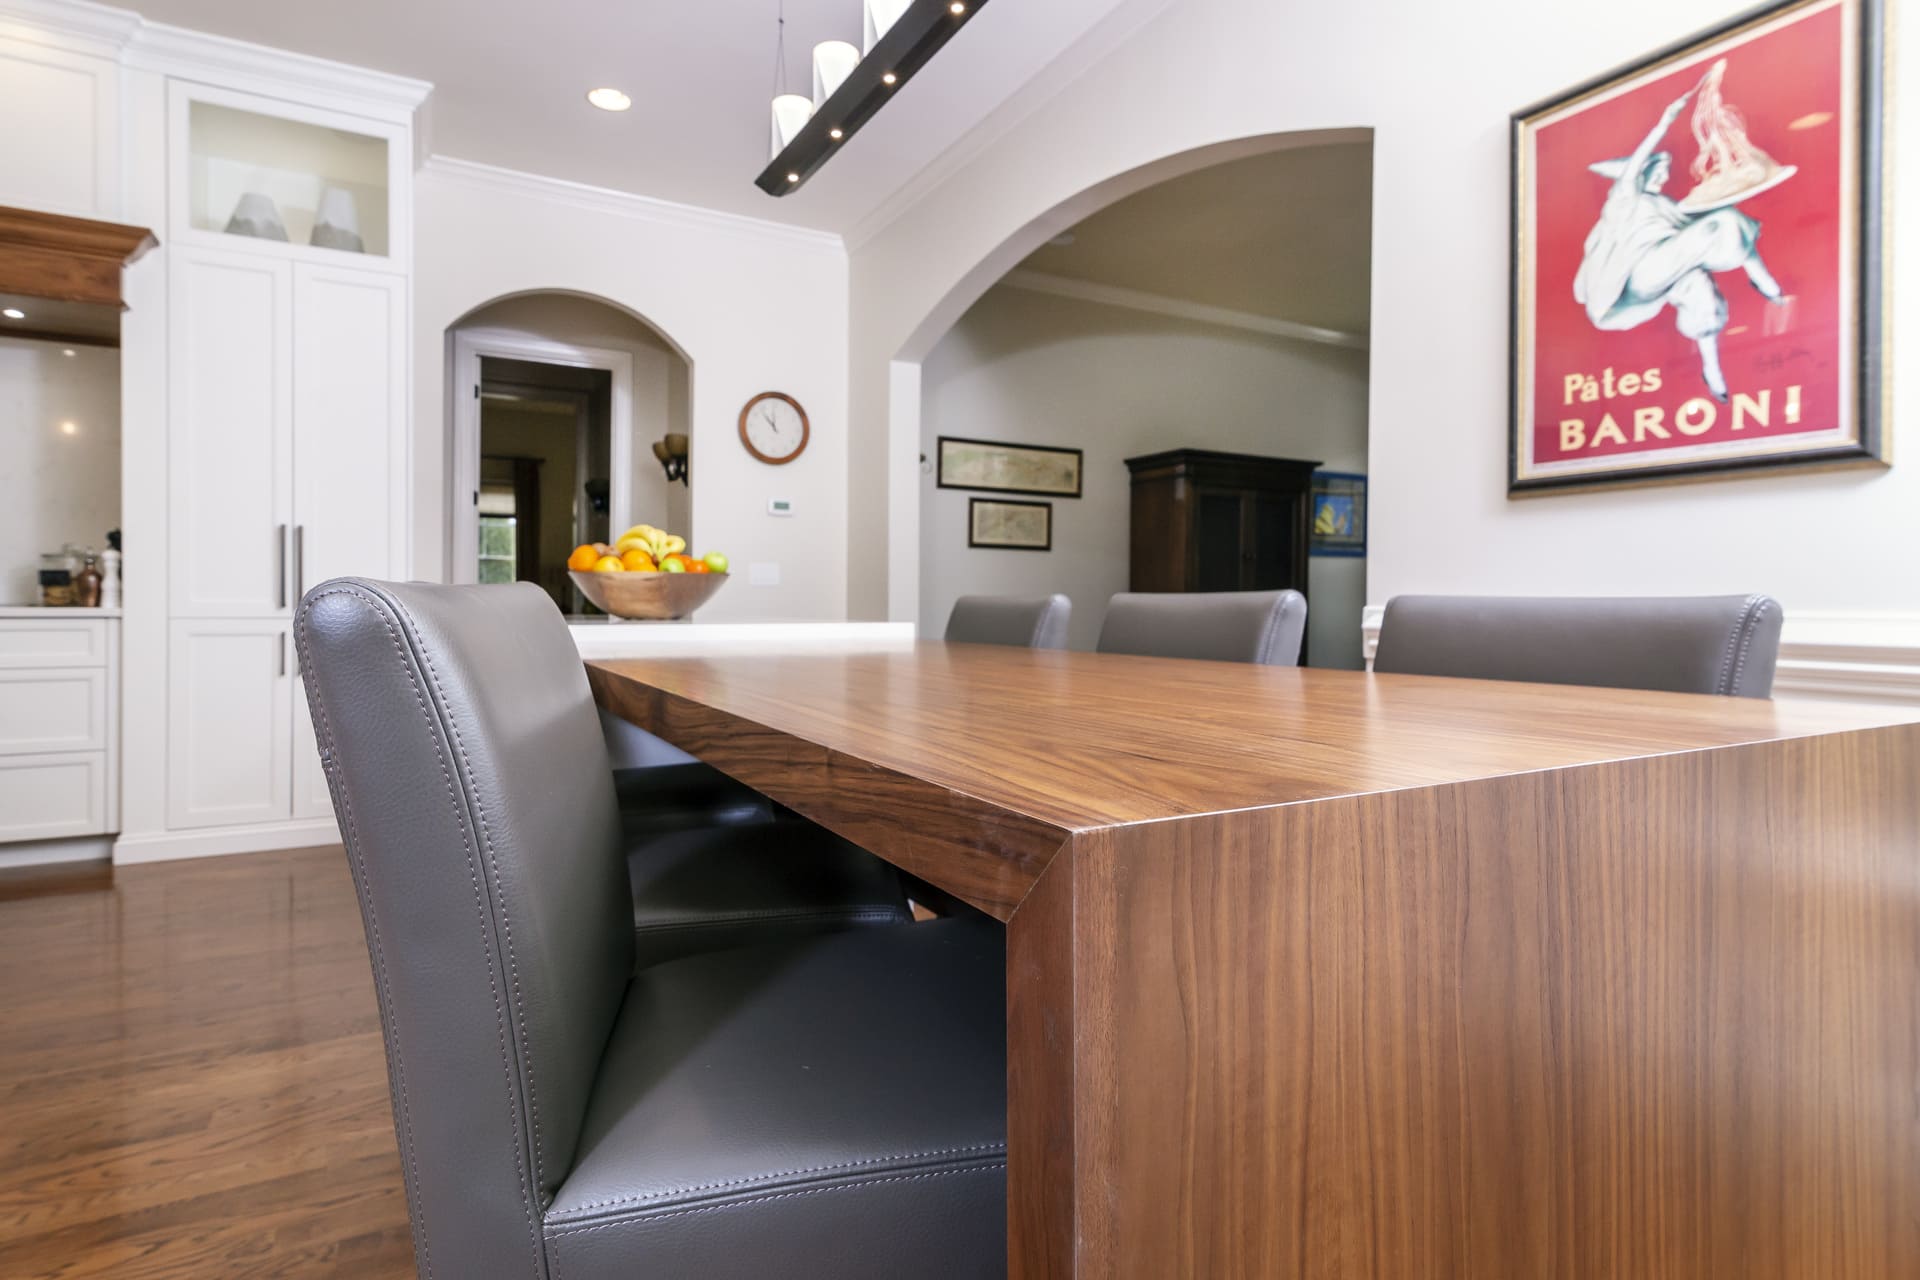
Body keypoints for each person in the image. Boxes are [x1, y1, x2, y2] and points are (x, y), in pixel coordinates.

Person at [1573, 77, 1788, 402]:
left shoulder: (1666, 206)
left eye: (1664, 170)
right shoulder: (1624, 202)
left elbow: (1690, 221)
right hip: (1644, 273)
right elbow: (1630, 173)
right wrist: (1663, 125)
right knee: (1726, 222)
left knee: (1701, 288)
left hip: (1668, 270)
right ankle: (1766, 283)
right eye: (1656, 170)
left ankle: (1712, 369)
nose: (1663, 176)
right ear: (1642, 173)